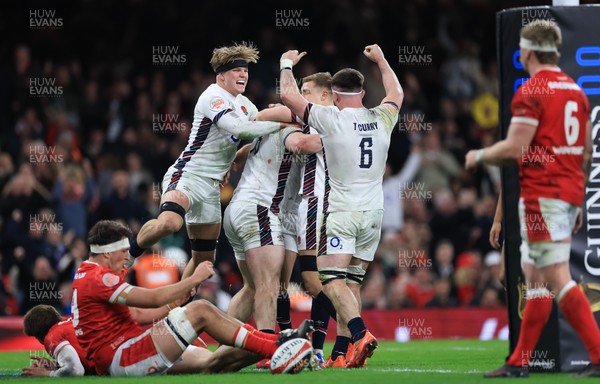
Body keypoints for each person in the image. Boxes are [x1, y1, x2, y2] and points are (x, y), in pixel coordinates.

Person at [465, 20, 599, 378]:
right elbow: (586, 153)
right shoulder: (575, 90)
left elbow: (515, 149)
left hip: (543, 195)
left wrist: (478, 156)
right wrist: (577, 199)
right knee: (536, 279)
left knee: (554, 276)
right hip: (565, 193)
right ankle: (519, 361)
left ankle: (599, 354)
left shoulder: (531, 91)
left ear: (526, 51)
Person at [128, 42, 296, 281]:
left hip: (212, 187)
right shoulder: (212, 96)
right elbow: (242, 129)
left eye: (246, 70)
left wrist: (233, 161)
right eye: (237, 70)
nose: (243, 74)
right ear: (221, 76)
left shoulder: (245, 105)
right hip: (188, 175)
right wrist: (284, 123)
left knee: (204, 265)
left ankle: (175, 312)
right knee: (169, 223)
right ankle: (130, 252)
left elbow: (255, 134)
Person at [279, 44, 403, 368]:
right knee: (352, 284)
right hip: (375, 214)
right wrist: (381, 60)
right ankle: (342, 352)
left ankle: (360, 334)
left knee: (329, 279)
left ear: (334, 96)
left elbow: (289, 97)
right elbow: (396, 92)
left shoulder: (331, 118)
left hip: (343, 213)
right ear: (363, 92)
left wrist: (285, 65)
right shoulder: (383, 116)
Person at [72, 220, 311, 376]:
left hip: (122, 354)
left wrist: (175, 303)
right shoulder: (99, 278)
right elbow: (153, 298)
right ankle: (276, 344)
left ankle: (281, 343)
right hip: (123, 356)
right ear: (107, 253)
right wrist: (194, 278)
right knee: (201, 311)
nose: (127, 257)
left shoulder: (91, 274)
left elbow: (139, 315)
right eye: (123, 251)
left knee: (212, 362)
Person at [223, 101, 321, 334]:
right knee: (269, 285)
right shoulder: (289, 131)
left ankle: (223, 346)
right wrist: (338, 134)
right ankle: (268, 347)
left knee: (253, 287)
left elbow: (247, 150)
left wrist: (232, 161)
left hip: (239, 210)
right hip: (260, 209)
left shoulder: (264, 132)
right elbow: (300, 144)